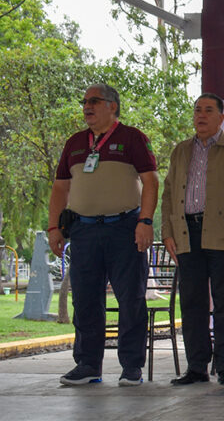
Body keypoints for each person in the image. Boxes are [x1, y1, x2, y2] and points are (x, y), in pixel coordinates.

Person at [47, 83, 159, 386]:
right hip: (83, 231)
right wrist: (54, 227)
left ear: (112, 105)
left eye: (94, 101)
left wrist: (145, 221)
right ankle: (87, 365)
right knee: (84, 299)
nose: (86, 106)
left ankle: (132, 367)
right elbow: (60, 188)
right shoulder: (74, 143)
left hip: (125, 229)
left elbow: (151, 181)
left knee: (131, 298)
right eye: (84, 101)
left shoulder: (133, 138)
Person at [160, 94, 224, 386]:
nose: (200, 115)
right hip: (186, 234)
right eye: (196, 110)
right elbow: (167, 194)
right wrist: (166, 231)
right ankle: (196, 367)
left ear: (221, 117)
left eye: (207, 110)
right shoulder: (180, 151)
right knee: (192, 302)